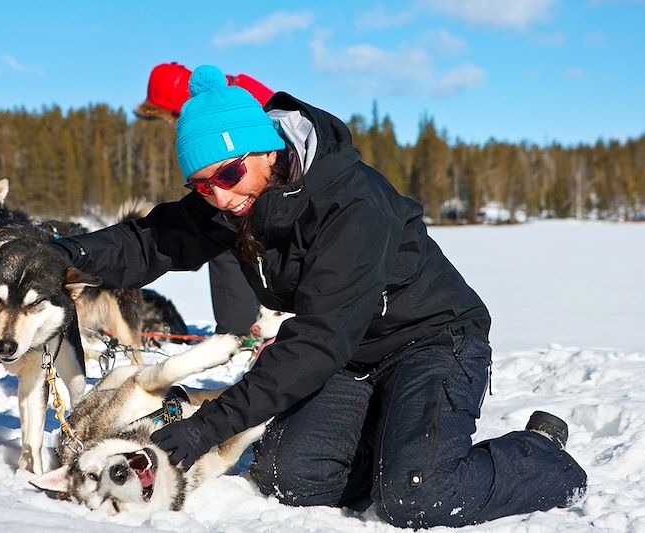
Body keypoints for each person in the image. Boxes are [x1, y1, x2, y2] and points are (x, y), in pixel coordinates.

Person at [52, 65, 587, 528]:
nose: (218, 194)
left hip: (431, 340)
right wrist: (57, 253)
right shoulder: (234, 199)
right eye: (200, 185)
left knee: (416, 495)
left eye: (229, 173)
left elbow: (318, 341)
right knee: (291, 478)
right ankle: (396, 437)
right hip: (353, 359)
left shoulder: (353, 203)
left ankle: (541, 456)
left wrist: (204, 430)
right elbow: (153, 240)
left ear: (265, 148)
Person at [135, 62, 274, 335]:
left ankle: (235, 332)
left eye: (168, 115)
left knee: (225, 243)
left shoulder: (227, 107)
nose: (169, 122)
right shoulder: (234, 91)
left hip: (264, 193)